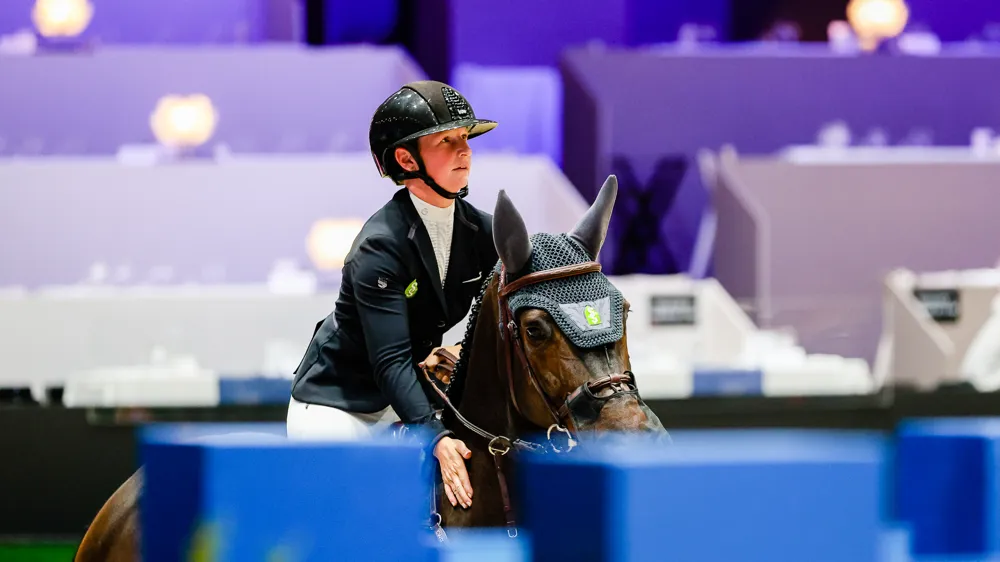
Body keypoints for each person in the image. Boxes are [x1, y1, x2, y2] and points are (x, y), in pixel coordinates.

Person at [286, 80, 500, 510]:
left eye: (465, 138)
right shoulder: (378, 246)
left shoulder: (483, 231)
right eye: (446, 140)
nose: (465, 150)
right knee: (346, 510)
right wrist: (434, 436)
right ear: (406, 158)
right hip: (341, 404)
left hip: (409, 394)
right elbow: (389, 360)